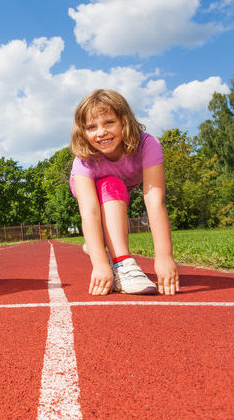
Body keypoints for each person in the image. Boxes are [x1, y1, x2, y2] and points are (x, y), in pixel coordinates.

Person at [69, 89, 179, 296]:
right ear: (82, 132)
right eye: (91, 127)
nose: (101, 132)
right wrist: (100, 264)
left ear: (124, 121)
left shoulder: (148, 145)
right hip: (94, 188)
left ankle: (99, 245)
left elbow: (155, 201)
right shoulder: (83, 161)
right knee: (112, 184)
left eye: (109, 122)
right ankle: (121, 264)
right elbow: (90, 212)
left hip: (123, 189)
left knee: (115, 189)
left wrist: (164, 256)